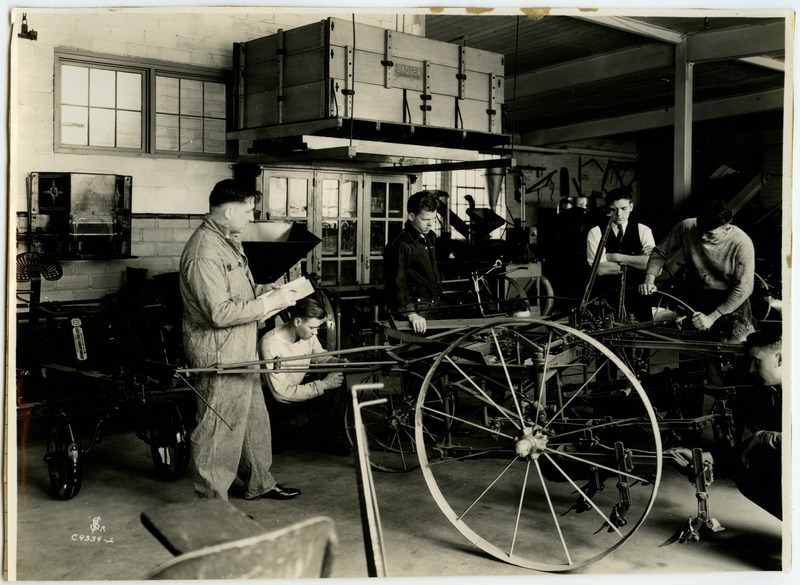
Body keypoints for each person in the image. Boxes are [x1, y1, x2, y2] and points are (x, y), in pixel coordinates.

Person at [179, 179, 301, 501]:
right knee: (219, 426)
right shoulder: (204, 252)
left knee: (252, 418)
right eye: (248, 211)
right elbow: (218, 313)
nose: (251, 217)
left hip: (241, 346)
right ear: (229, 210)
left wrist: (271, 292)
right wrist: (268, 305)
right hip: (218, 352)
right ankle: (211, 503)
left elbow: (239, 294)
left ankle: (259, 481)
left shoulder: (229, 241)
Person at [639, 199, 755, 332]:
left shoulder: (742, 243)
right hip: (698, 296)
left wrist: (712, 318)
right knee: (692, 346)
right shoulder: (686, 226)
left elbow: (744, 288)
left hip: (731, 301)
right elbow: (660, 252)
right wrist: (649, 280)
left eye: (710, 234)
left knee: (732, 346)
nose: (703, 237)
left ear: (727, 228)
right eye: (700, 229)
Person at [258, 297, 351, 457]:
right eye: (312, 328)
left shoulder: (306, 334)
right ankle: (290, 428)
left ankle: (327, 440)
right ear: (297, 321)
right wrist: (322, 385)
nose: (315, 332)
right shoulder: (270, 344)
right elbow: (280, 394)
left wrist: (336, 361)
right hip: (273, 402)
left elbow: (319, 356)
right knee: (278, 447)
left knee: (337, 379)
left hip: (295, 391)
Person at [585, 188, 656, 322]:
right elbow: (600, 269)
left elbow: (650, 264)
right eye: (613, 209)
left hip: (638, 296)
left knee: (644, 337)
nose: (618, 214)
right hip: (606, 297)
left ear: (631, 207)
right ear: (607, 209)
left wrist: (615, 257)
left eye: (623, 208)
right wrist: (637, 264)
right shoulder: (596, 232)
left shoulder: (643, 230)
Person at [383, 190, 444, 334]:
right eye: (425, 219)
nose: (430, 224)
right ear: (411, 216)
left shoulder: (430, 237)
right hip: (416, 310)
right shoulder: (401, 244)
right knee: (415, 353)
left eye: (433, 219)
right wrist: (411, 313)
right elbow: (397, 282)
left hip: (433, 305)